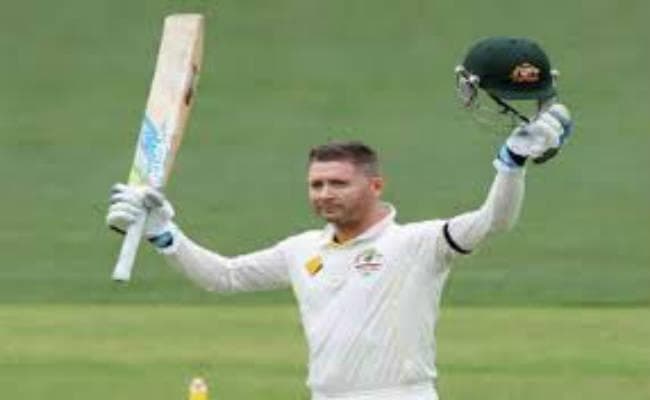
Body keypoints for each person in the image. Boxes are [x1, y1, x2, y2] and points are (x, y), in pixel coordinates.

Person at [106, 37, 573, 400]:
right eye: (316, 185)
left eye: (338, 183)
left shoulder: (418, 243)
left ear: (375, 186)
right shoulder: (301, 251)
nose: (325, 194)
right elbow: (224, 277)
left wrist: (511, 165)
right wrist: (165, 234)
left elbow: (494, 220)